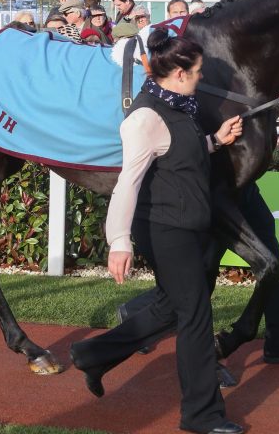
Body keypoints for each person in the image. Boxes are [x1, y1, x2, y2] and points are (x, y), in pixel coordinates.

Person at [71, 30, 244, 434]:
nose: (202, 77)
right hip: (168, 231)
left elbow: (178, 152)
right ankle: (202, 415)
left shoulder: (179, 106)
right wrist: (119, 241)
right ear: (180, 73)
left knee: (170, 307)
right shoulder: (145, 117)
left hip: (187, 226)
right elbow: (127, 184)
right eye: (198, 71)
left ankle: (94, 354)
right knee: (196, 315)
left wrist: (214, 142)